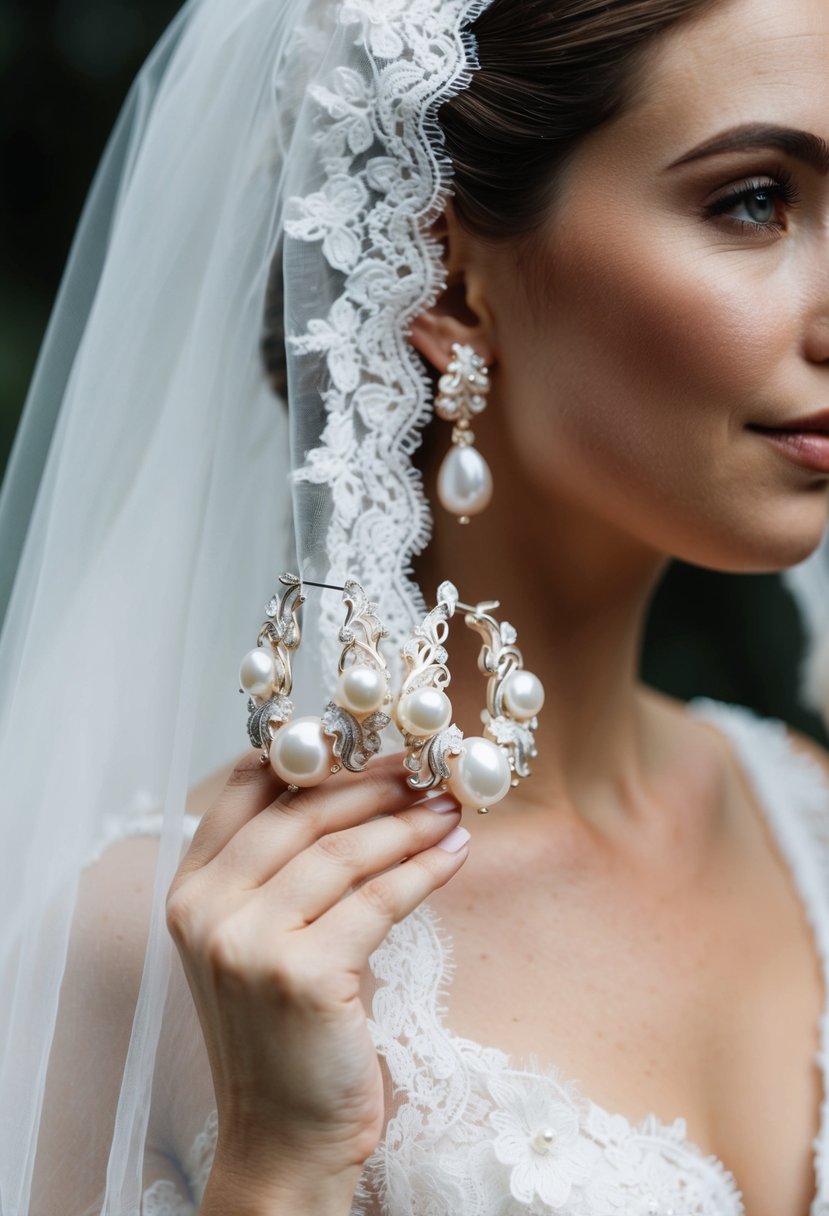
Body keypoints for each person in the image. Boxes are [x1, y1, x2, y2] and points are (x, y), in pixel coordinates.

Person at [1, 0, 828, 1213]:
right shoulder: (158, 951)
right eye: (754, 199)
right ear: (442, 278)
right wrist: (279, 1160)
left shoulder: (806, 811)